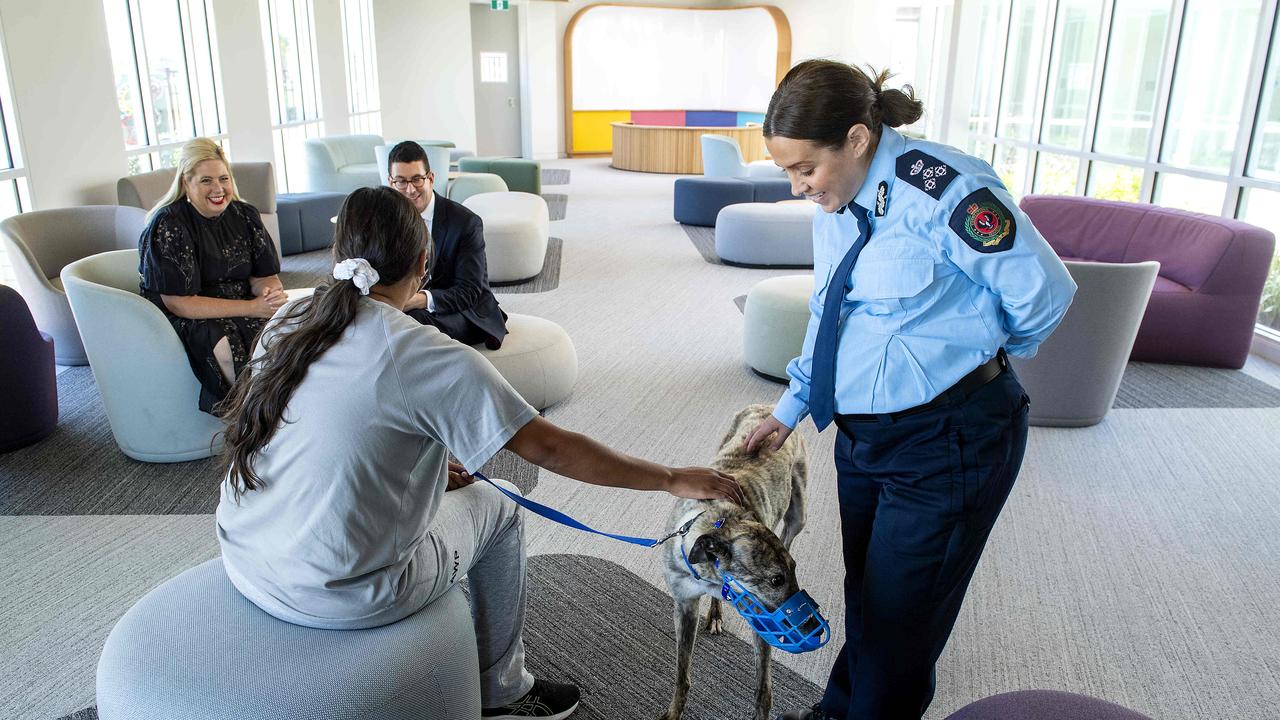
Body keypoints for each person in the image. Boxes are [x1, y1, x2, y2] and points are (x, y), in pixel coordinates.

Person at [214, 186, 743, 720]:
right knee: (505, 503)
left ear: (336, 255)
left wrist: (426, 468)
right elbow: (553, 447)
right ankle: (505, 690)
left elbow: (326, 429)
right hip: (341, 593)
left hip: (243, 554)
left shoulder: (289, 319)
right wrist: (673, 478)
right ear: (423, 264)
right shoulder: (421, 354)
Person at [744, 61, 1077, 720]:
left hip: (951, 439)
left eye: (805, 167)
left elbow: (1043, 292)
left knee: (902, 624)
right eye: (785, 170)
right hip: (864, 435)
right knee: (869, 595)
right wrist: (792, 407)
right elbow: (831, 312)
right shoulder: (836, 200)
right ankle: (836, 712)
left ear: (859, 138)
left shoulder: (946, 189)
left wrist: (976, 352)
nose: (797, 185)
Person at [138, 137, 286, 413]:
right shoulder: (169, 224)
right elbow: (179, 302)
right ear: (186, 183)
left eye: (224, 179)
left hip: (242, 304)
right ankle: (250, 419)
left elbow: (263, 275)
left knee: (286, 329)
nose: (218, 189)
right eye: (206, 181)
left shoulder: (245, 215)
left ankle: (281, 411)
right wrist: (253, 308)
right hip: (188, 314)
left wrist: (269, 294)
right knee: (222, 341)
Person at [387, 140, 508, 349]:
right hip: (403, 304)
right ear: (391, 183)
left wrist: (416, 300)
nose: (409, 189)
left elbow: (470, 291)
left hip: (465, 310)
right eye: (401, 181)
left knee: (412, 322)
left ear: (431, 178)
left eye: (417, 179)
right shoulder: (387, 221)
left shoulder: (465, 223)